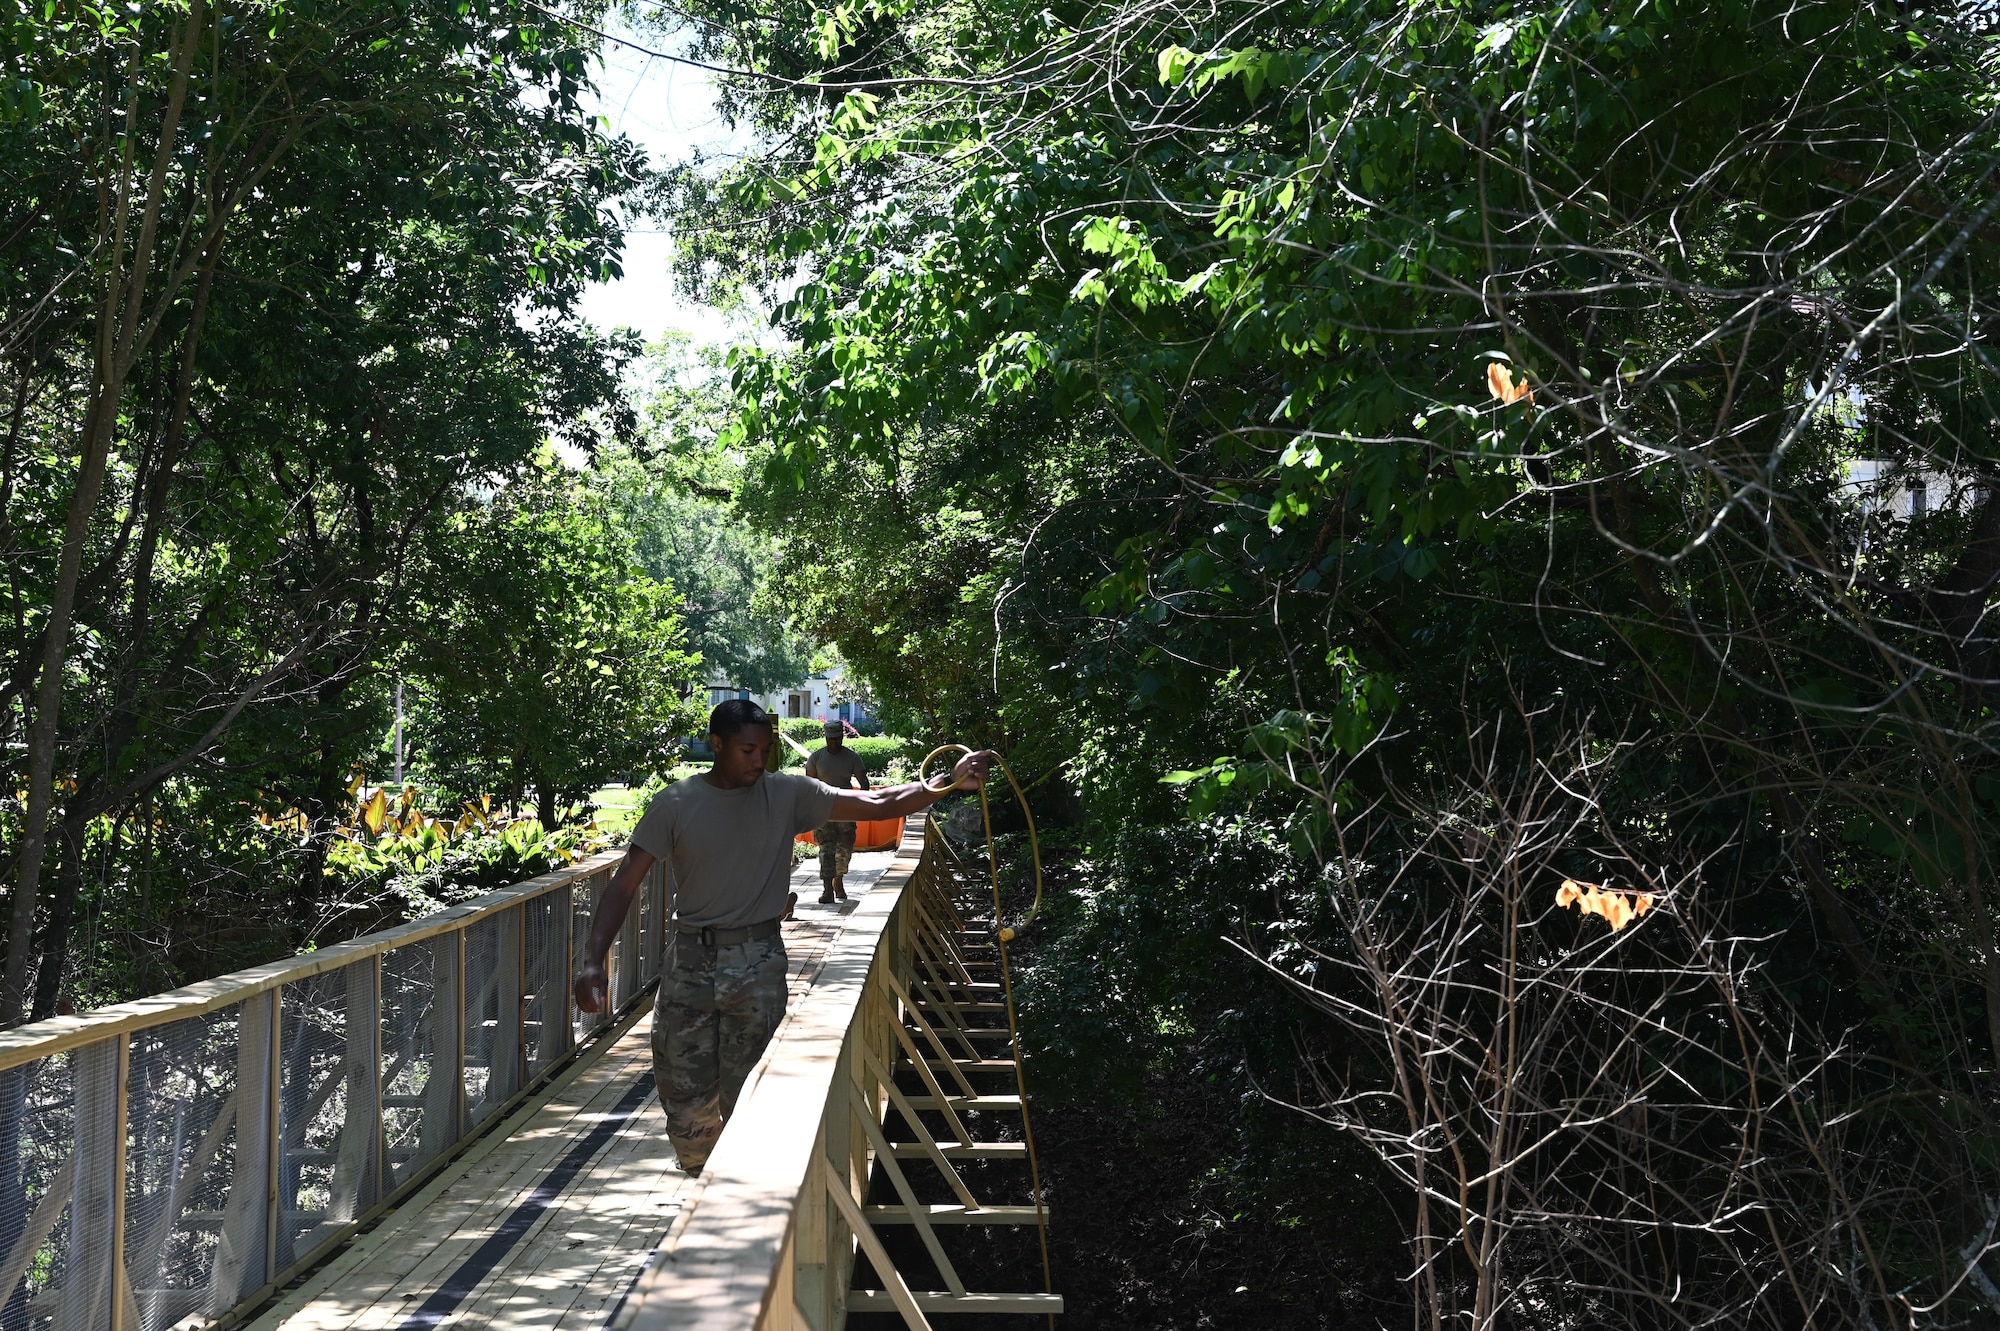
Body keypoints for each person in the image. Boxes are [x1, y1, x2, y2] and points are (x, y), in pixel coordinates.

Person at [573, 698, 994, 1176]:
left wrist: (948, 781)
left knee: (752, 1094)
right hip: (689, 961)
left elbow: (879, 801)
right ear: (717, 745)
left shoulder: (787, 794)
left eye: (765, 750)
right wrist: (594, 959)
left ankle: (734, 1200)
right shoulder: (676, 803)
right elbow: (625, 882)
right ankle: (699, 1174)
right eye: (747, 750)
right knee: (685, 1100)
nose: (758, 760)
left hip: (757, 960)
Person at [804, 719, 870, 903]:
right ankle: (827, 890)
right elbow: (809, 785)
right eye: (830, 739)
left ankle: (838, 881)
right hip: (823, 811)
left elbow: (864, 782)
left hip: (846, 810)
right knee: (826, 849)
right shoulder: (816, 758)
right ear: (826, 737)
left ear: (842, 737)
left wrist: (862, 805)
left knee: (845, 849)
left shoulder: (852, 757)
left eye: (837, 738)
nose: (834, 742)